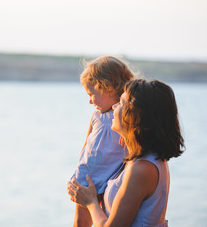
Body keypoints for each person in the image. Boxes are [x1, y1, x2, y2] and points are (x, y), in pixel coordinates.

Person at [68, 79, 185, 227]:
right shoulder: (142, 159)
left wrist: (90, 202)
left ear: (136, 116)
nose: (114, 106)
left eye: (121, 103)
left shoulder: (142, 169)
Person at [70, 56, 135, 227]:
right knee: (81, 221)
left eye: (92, 94)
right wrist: (78, 171)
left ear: (109, 88)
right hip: (87, 176)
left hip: (110, 179)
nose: (90, 100)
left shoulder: (125, 118)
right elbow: (86, 146)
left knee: (105, 216)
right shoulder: (96, 117)